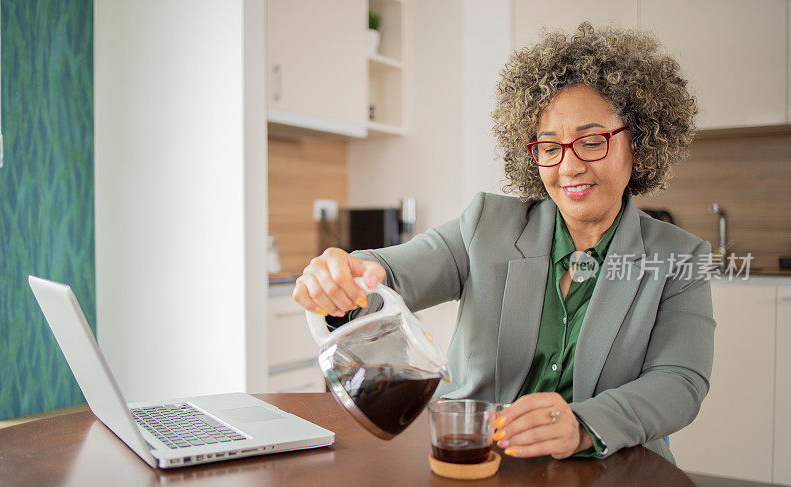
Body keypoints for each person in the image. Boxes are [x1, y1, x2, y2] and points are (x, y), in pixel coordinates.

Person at [292, 23, 714, 463]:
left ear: (641, 144)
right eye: (550, 147)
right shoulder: (487, 225)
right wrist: (344, 276)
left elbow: (680, 380)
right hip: (476, 463)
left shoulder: (680, 258)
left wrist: (584, 424)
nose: (568, 167)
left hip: (610, 472)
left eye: (591, 142)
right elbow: (392, 273)